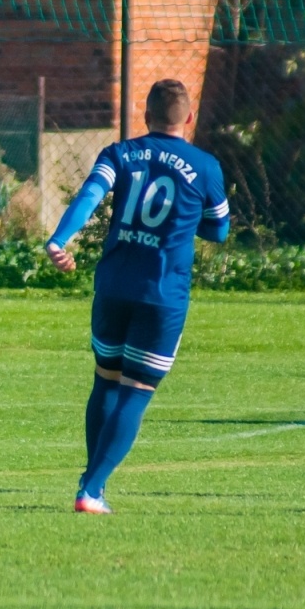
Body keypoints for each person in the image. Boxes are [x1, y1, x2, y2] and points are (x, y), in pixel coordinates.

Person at [46, 79, 229, 514]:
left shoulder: (120, 153)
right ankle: (91, 489)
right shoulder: (204, 166)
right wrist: (183, 225)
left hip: (113, 285)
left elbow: (91, 194)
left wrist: (60, 239)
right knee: (138, 389)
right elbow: (219, 230)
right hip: (161, 294)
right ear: (189, 117)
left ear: (145, 115)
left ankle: (93, 480)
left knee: (105, 378)